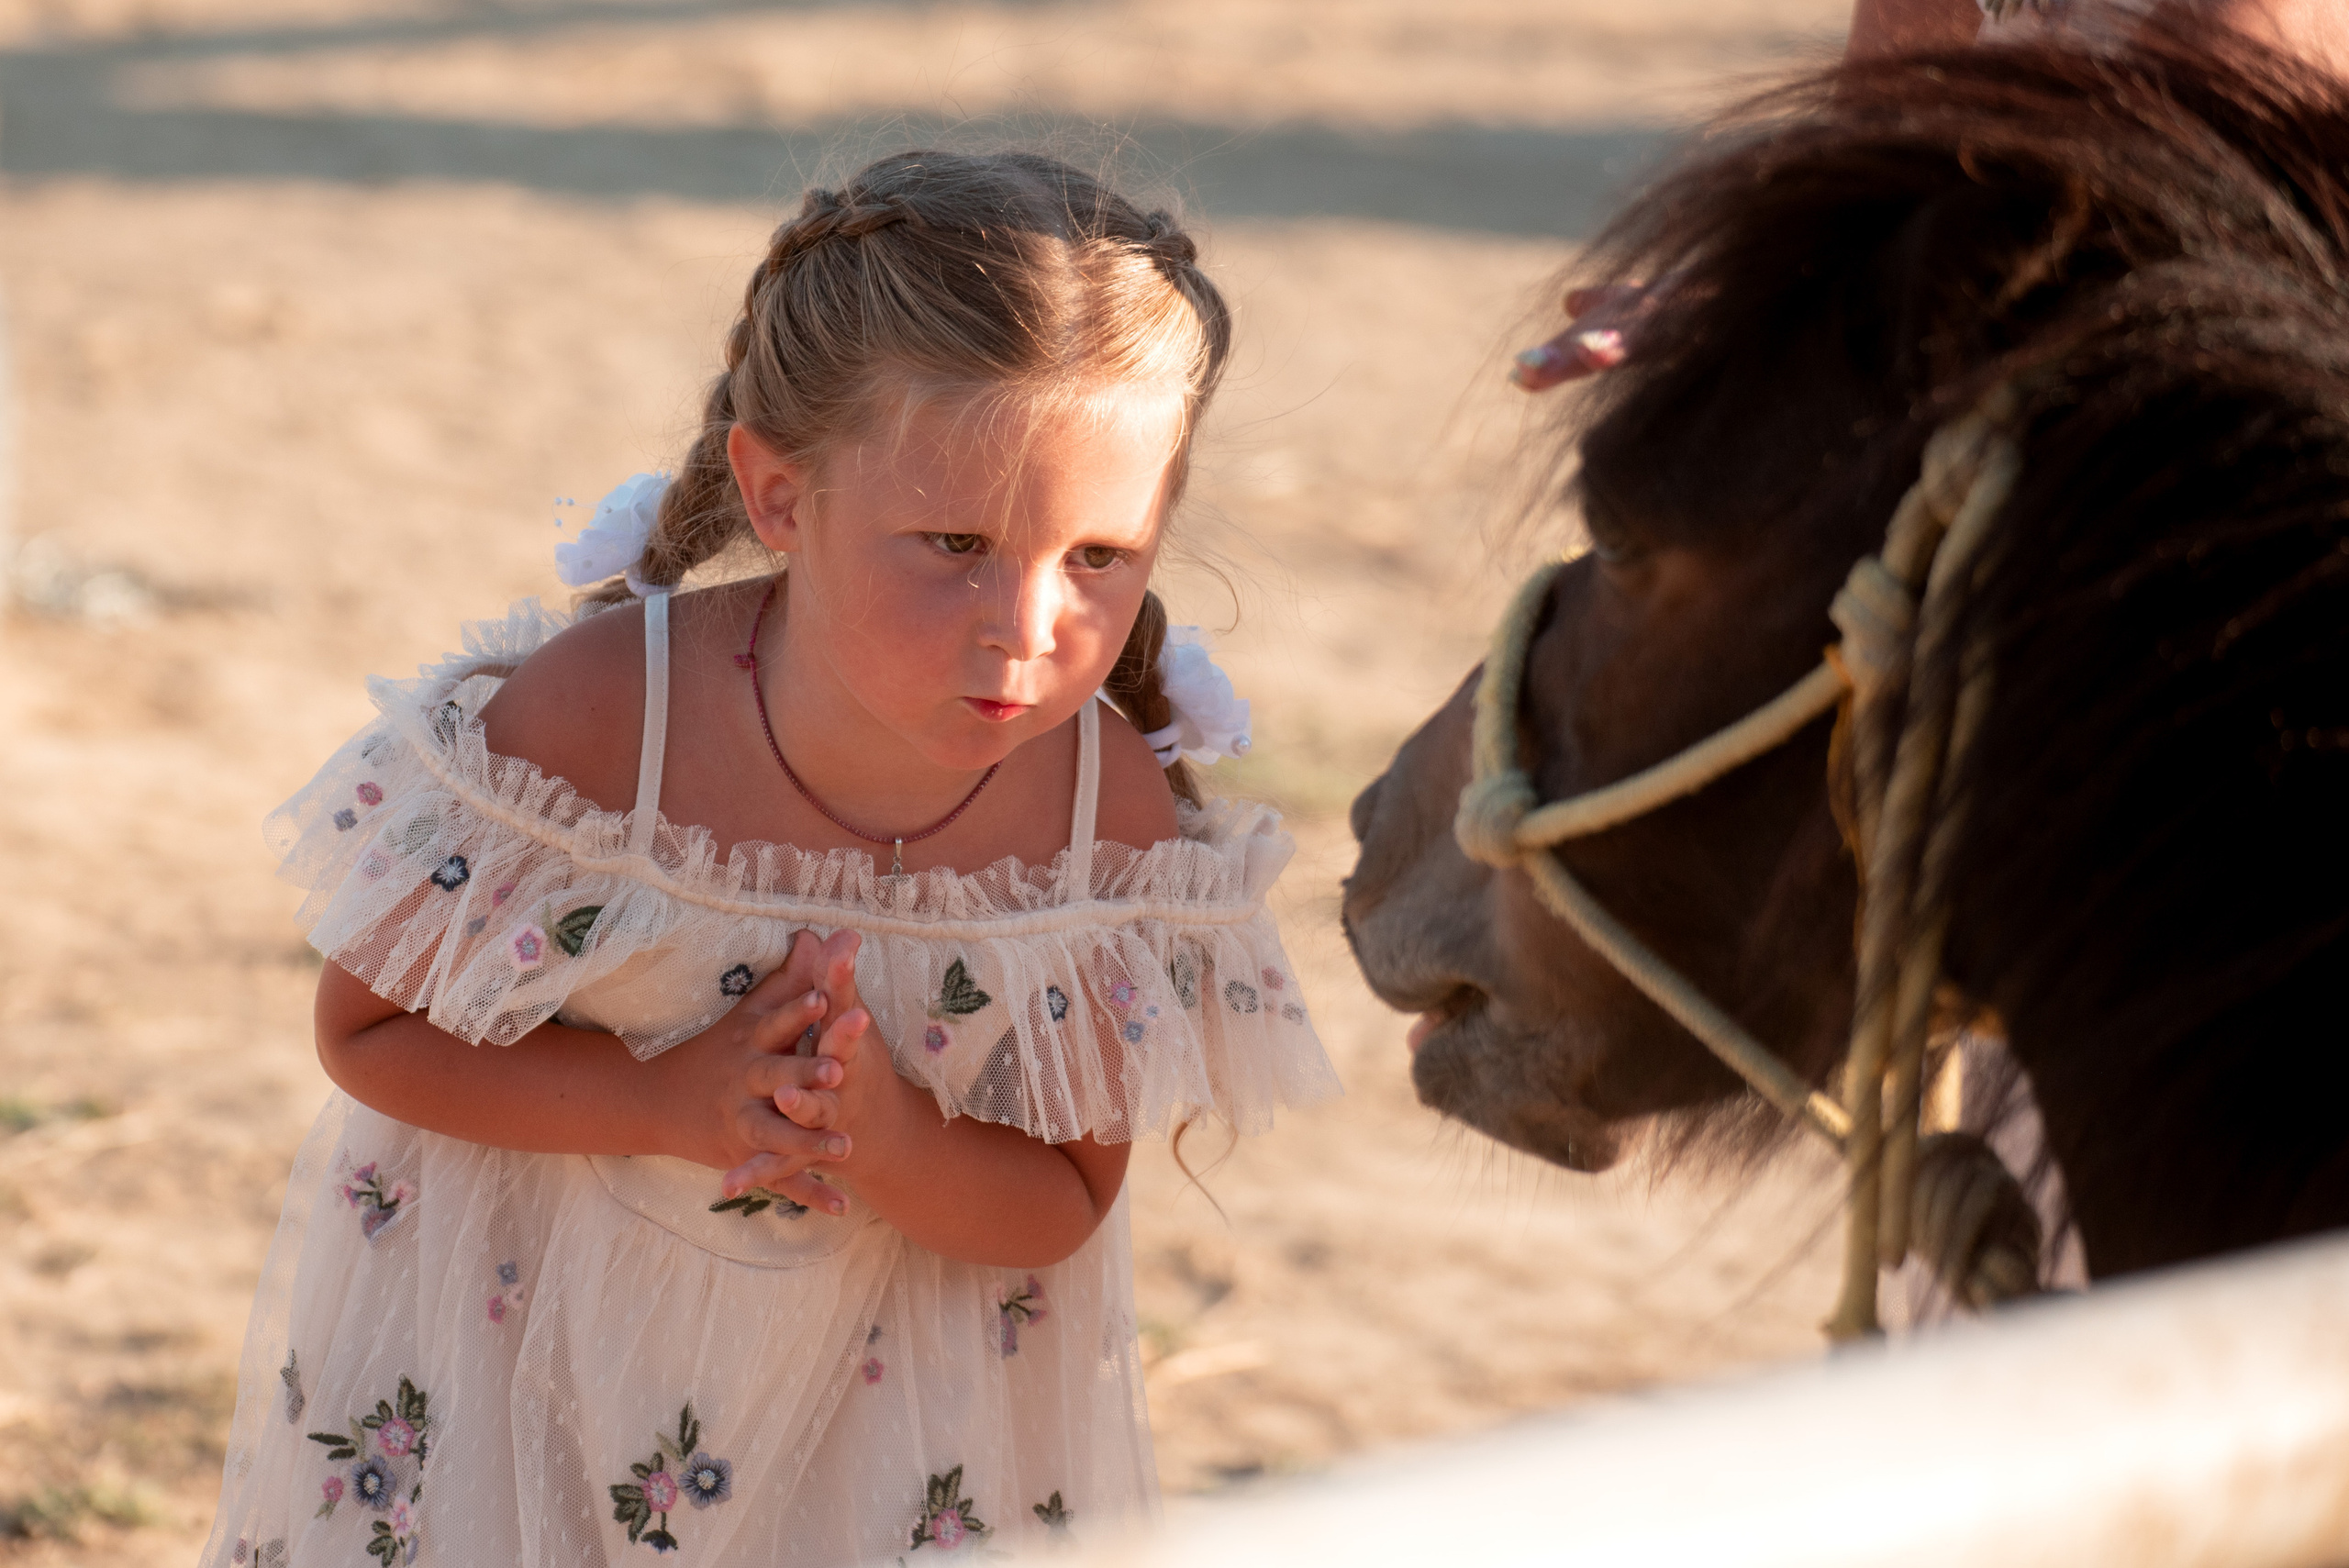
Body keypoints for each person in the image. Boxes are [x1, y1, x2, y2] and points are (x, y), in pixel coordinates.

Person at [202, 149, 1339, 1567]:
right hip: (522, 1396)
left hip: (883, 1466)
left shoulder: (1095, 816)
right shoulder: (603, 717)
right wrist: (669, 1100)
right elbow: (368, 1032)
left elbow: (1062, 1202)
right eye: (955, 543)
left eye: (1100, 555)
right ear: (781, 495)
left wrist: (891, 1139)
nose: (1025, 622)